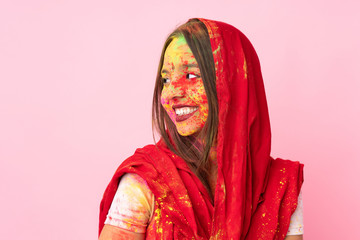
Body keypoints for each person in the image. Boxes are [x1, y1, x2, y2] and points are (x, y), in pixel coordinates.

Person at [98, 18, 304, 240]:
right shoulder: (147, 179)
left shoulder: (280, 186)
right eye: (165, 80)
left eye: (191, 76)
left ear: (234, 81)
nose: (171, 93)